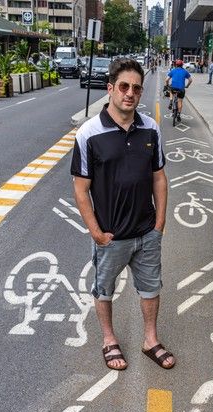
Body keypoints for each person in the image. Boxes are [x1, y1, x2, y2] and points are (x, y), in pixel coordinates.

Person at [71, 58, 174, 371]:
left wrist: (160, 223)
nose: (130, 93)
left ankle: (150, 340)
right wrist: (96, 233)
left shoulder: (151, 129)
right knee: (104, 290)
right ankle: (108, 340)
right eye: (124, 86)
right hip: (111, 237)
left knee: (151, 288)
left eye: (136, 88)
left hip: (146, 232)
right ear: (110, 89)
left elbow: (159, 176)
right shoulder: (89, 134)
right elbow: (80, 190)